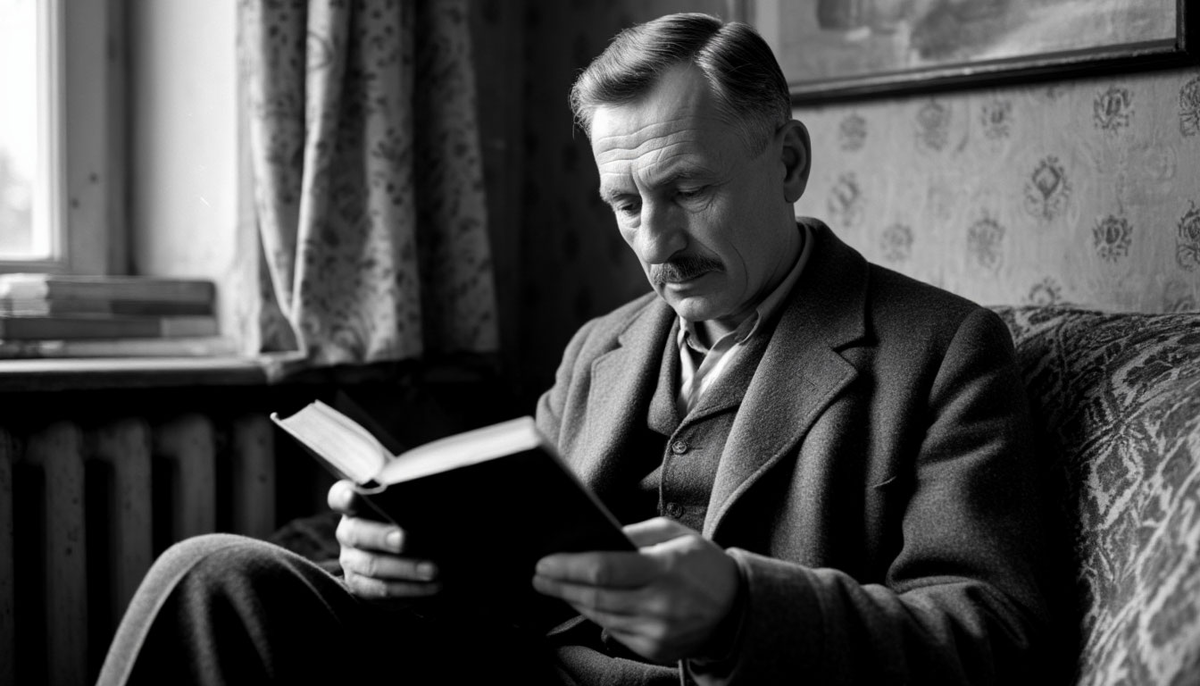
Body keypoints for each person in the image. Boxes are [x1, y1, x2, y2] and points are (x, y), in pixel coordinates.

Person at [98, 12, 1050, 685]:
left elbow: (994, 633)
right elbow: (512, 586)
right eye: (625, 204)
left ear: (790, 162)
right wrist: (401, 570)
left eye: (689, 191)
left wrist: (740, 612)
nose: (656, 242)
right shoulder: (600, 349)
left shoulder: (942, 349)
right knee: (214, 577)